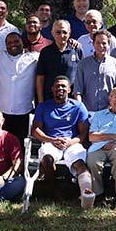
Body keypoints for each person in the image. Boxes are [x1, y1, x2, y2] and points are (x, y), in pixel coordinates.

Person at [31, 76, 93, 207]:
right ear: (52, 89)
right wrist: (52, 140)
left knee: (80, 164)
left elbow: (83, 134)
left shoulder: (78, 106)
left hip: (72, 142)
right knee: (47, 159)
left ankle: (86, 195)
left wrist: (70, 142)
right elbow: (35, 130)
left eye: (64, 86)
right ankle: (53, 192)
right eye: (57, 86)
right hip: (51, 141)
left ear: (69, 89)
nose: (60, 88)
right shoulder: (44, 106)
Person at [0, 31, 38, 141]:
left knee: (21, 146)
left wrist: (72, 43)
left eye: (16, 41)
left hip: (24, 111)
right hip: (2, 112)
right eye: (9, 42)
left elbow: (51, 52)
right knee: (0, 144)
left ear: (22, 42)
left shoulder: (34, 57)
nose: (13, 44)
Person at [35, 20, 84, 103]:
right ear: (52, 33)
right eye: (58, 32)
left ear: (69, 33)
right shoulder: (45, 52)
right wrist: (40, 101)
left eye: (64, 32)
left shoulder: (76, 50)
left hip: (71, 100)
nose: (62, 35)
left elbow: (82, 75)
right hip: (50, 99)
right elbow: (40, 78)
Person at [76, 29, 116, 112]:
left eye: (104, 43)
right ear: (93, 44)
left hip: (109, 111)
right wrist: (82, 110)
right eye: (98, 43)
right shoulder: (83, 64)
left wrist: (112, 107)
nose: (101, 46)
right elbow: (78, 91)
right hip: (88, 111)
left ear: (109, 44)